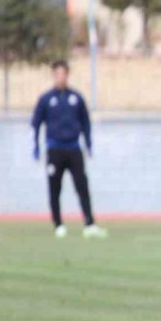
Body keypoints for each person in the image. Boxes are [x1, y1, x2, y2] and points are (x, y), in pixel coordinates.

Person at [31, 60, 107, 239]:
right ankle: (58, 224)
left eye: (63, 73)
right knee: (54, 188)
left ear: (67, 75)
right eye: (57, 74)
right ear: (53, 75)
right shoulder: (46, 99)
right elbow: (35, 124)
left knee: (82, 186)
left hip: (74, 149)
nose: (60, 77)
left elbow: (86, 123)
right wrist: (35, 147)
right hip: (54, 149)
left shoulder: (76, 98)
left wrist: (88, 144)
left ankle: (89, 224)